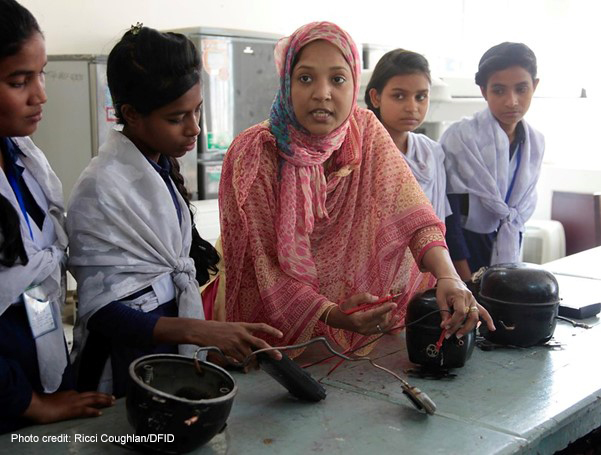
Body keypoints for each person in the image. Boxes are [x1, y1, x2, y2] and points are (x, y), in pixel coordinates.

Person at [219, 21, 495, 355]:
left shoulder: (364, 132)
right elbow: (261, 266)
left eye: (337, 79)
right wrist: (333, 314)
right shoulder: (255, 152)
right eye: (305, 78)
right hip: (278, 336)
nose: (322, 93)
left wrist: (448, 276)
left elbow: (414, 215)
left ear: (354, 85)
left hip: (358, 330)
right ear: (286, 82)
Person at [66, 25, 282, 398]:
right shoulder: (101, 188)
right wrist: (198, 331)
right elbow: (101, 311)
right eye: (176, 117)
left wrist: (207, 344)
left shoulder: (159, 167)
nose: (194, 128)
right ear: (131, 114)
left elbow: (164, 290)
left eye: (197, 111)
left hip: (163, 353)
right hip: (118, 366)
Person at [0, 0, 114, 433]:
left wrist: (51, 382)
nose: (40, 94)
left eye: (42, 72)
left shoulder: (23, 159)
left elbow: (33, 284)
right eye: (18, 80)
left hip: (38, 372)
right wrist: (30, 403)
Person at [442, 42, 544, 281]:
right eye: (499, 90)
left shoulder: (536, 143)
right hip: (463, 251)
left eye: (521, 89)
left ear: (535, 86)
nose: (512, 101)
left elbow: (515, 216)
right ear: (483, 90)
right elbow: (449, 216)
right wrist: (465, 281)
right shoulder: (460, 137)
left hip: (507, 247)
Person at [365, 49, 451, 221]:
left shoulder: (431, 152)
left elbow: (437, 219)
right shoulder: (361, 152)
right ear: (376, 98)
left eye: (420, 97)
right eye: (399, 96)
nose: (412, 107)